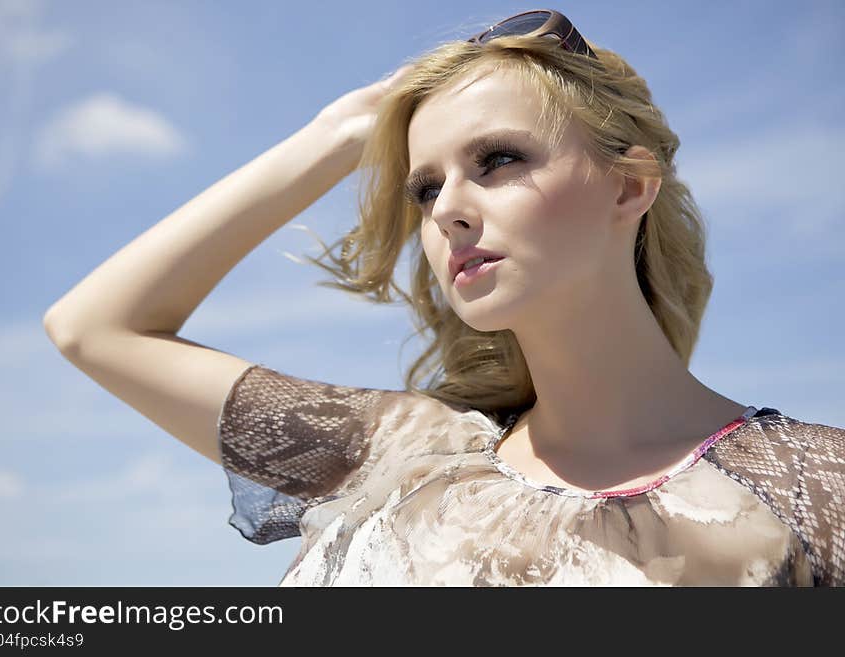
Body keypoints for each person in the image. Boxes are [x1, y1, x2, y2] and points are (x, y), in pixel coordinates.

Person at [43, 9, 845, 586]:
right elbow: (92, 326)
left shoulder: (816, 487)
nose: (448, 209)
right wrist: (337, 133)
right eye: (425, 186)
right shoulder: (394, 452)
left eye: (497, 158)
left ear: (629, 184)